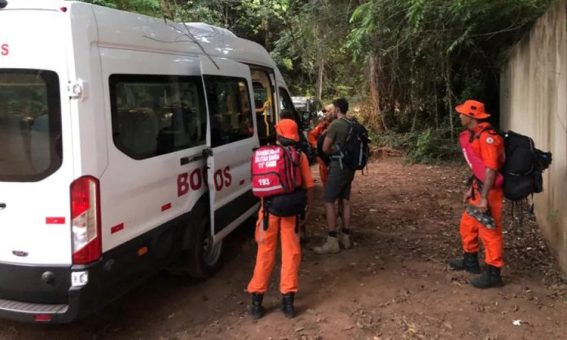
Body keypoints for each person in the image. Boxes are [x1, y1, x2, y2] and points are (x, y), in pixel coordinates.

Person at [247, 119, 315, 319]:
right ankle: (288, 303)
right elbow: (309, 186)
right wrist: (307, 210)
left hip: (268, 212)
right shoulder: (299, 156)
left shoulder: (265, 154)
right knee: (291, 254)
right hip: (291, 213)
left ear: (278, 135)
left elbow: (258, 186)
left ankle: (257, 303)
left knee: (264, 254)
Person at [449, 99, 505, 289]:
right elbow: (478, 167)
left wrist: (483, 199)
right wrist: (470, 189)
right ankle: (470, 260)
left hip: (489, 192)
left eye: (462, 113)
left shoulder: (487, 137)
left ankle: (493, 273)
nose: (459, 115)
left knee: (489, 231)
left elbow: (490, 169)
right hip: (479, 188)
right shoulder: (474, 135)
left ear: (471, 117)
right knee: (468, 224)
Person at [313, 98, 355, 254]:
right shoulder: (351, 124)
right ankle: (346, 237)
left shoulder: (336, 125)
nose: (329, 112)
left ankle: (332, 240)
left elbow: (324, 148)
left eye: (331, 109)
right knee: (345, 201)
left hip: (338, 167)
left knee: (329, 201)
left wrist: (332, 151)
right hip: (350, 168)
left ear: (337, 109)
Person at [308, 104, 336, 188]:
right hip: (323, 153)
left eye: (327, 112)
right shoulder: (322, 124)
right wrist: (316, 145)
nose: (325, 114)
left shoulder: (340, 123)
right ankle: (327, 189)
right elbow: (312, 135)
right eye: (325, 112)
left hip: (336, 151)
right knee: (323, 170)